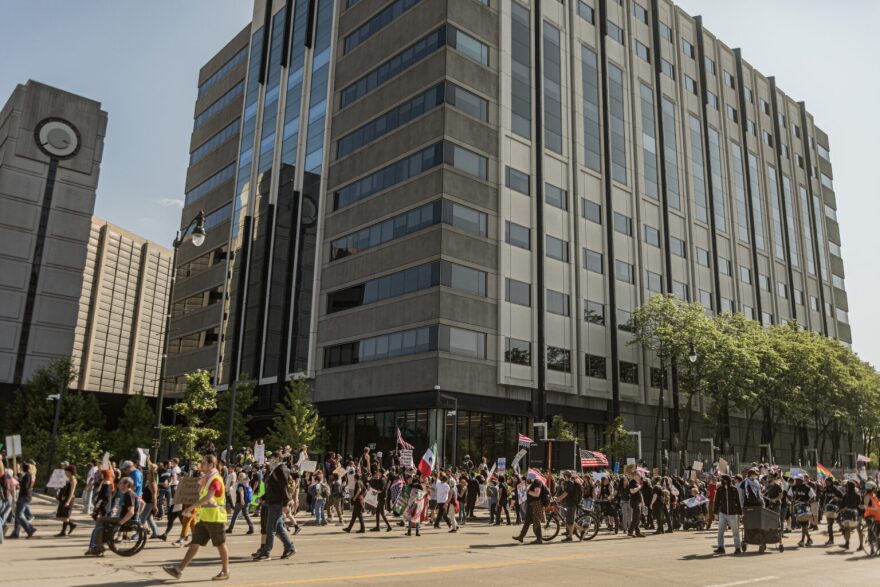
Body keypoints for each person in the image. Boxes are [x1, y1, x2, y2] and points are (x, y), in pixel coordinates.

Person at [162, 455, 231, 581]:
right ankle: (178, 570)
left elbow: (207, 498)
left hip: (215, 518)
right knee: (195, 543)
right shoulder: (207, 479)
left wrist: (190, 508)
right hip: (205, 518)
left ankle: (226, 571)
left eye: (204, 463)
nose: (201, 465)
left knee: (220, 544)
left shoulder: (215, 479)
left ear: (211, 465)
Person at [253, 452, 296, 561]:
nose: (269, 460)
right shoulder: (274, 470)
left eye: (271, 458)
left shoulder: (281, 470)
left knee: (270, 527)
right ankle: (289, 548)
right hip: (273, 502)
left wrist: (285, 504)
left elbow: (284, 487)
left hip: (278, 503)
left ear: (277, 458)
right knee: (278, 528)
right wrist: (263, 498)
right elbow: (272, 489)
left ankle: (266, 552)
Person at [86, 476, 136, 556]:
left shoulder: (129, 495)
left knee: (100, 520)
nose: (118, 485)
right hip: (121, 518)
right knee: (100, 525)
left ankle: (98, 547)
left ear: (126, 484)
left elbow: (131, 512)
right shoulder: (129, 494)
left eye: (120, 483)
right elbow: (142, 503)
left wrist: (120, 523)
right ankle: (96, 545)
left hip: (123, 520)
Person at [513, 474, 546, 544]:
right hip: (531, 505)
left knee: (536, 522)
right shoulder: (533, 483)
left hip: (536, 504)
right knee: (527, 522)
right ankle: (521, 536)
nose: (528, 476)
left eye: (530, 474)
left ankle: (539, 539)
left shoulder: (537, 482)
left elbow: (537, 494)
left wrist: (527, 491)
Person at [713, 474, 742, 554]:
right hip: (723, 513)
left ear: (726, 480)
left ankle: (737, 548)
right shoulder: (720, 489)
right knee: (720, 531)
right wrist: (715, 512)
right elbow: (717, 501)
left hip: (733, 514)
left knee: (735, 531)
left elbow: (738, 502)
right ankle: (721, 547)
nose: (721, 481)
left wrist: (740, 512)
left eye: (722, 479)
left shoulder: (734, 489)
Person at [10, 461, 35, 539]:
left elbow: (25, 486)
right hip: (25, 496)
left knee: (19, 514)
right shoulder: (27, 475)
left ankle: (29, 529)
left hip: (24, 497)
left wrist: (18, 481)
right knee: (19, 514)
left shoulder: (27, 476)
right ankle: (23, 530)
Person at [789, 475, 816, 547]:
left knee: (804, 525)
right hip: (797, 508)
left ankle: (802, 541)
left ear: (801, 480)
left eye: (798, 480)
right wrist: (791, 499)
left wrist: (809, 502)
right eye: (796, 480)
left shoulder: (807, 488)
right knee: (803, 525)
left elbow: (813, 497)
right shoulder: (793, 487)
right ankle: (809, 539)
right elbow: (789, 495)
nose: (796, 481)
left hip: (805, 508)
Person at [555, 470, 580, 541]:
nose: (563, 476)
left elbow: (565, 493)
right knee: (569, 520)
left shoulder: (570, 483)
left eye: (564, 475)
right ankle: (581, 530)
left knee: (570, 521)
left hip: (572, 504)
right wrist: (557, 498)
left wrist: (558, 499)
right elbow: (564, 493)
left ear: (565, 476)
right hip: (568, 503)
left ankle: (570, 537)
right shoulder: (567, 483)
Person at [55, 464, 78, 536]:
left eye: (66, 472)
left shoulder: (73, 480)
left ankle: (68, 527)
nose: (65, 473)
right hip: (65, 498)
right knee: (63, 515)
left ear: (70, 472)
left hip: (69, 499)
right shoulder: (68, 479)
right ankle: (68, 527)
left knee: (65, 515)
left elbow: (72, 492)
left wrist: (68, 501)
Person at [838, 480, 861, 550]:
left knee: (847, 529)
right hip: (857, 515)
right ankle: (861, 545)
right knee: (859, 530)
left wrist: (842, 510)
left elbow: (842, 506)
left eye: (847, 486)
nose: (846, 488)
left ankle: (847, 544)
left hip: (848, 515)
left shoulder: (846, 495)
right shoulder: (858, 495)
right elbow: (860, 505)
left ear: (849, 487)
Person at [140, 463, 160, 539]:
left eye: (148, 475)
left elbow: (154, 496)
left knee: (142, 519)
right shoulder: (150, 483)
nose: (147, 476)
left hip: (149, 503)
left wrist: (155, 506)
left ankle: (139, 535)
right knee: (149, 519)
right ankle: (155, 533)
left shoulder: (152, 484)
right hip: (148, 503)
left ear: (151, 476)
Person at [626, 472, 645, 538]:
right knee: (636, 518)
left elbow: (640, 493)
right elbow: (632, 491)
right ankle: (630, 532)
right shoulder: (632, 482)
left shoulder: (637, 482)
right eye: (639, 475)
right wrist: (639, 487)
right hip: (635, 502)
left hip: (638, 502)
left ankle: (637, 532)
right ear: (635, 475)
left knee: (637, 518)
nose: (640, 476)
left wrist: (642, 502)